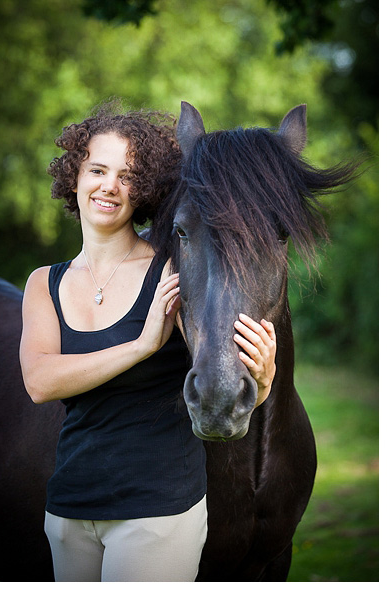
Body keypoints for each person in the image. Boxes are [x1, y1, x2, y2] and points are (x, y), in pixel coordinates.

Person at [18, 102, 277, 582]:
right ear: (73, 177)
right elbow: (39, 381)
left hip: (157, 508)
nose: (110, 186)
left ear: (147, 188)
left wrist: (261, 381)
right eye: (97, 169)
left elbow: (220, 372)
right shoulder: (43, 283)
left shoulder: (176, 270)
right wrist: (139, 346)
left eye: (128, 175)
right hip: (70, 507)